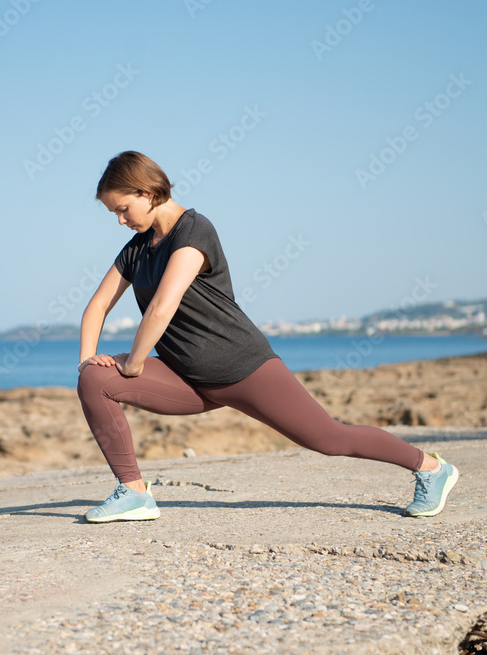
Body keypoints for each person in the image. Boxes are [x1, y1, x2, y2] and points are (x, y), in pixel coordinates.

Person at [76, 151, 458, 523]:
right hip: (187, 379)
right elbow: (96, 307)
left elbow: (163, 306)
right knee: (94, 379)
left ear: (145, 193)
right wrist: (87, 358)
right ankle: (135, 493)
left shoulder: (193, 231)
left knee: (330, 439)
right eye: (115, 213)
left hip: (243, 368)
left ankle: (430, 468)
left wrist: (135, 361)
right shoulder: (137, 250)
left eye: (123, 209)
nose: (121, 220)